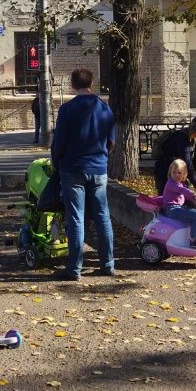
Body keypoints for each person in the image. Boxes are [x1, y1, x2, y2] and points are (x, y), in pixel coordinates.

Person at [51, 68, 116, 281]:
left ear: (72, 84)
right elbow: (111, 141)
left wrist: (56, 162)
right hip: (98, 169)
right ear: (91, 83)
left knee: (76, 219)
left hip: (73, 169)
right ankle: (108, 264)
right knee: (102, 217)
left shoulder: (67, 109)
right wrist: (102, 155)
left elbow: (59, 142)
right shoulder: (105, 108)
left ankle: (74, 269)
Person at [153, 114, 196, 195]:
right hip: (165, 172)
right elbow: (187, 163)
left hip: (178, 172)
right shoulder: (182, 137)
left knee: (186, 200)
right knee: (168, 201)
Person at [162, 159, 196, 248]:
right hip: (172, 209)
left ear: (184, 174)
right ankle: (195, 240)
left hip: (177, 208)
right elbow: (183, 190)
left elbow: (184, 195)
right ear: (170, 172)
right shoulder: (172, 183)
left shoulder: (179, 183)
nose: (176, 175)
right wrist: (194, 194)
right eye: (174, 172)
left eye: (179, 173)